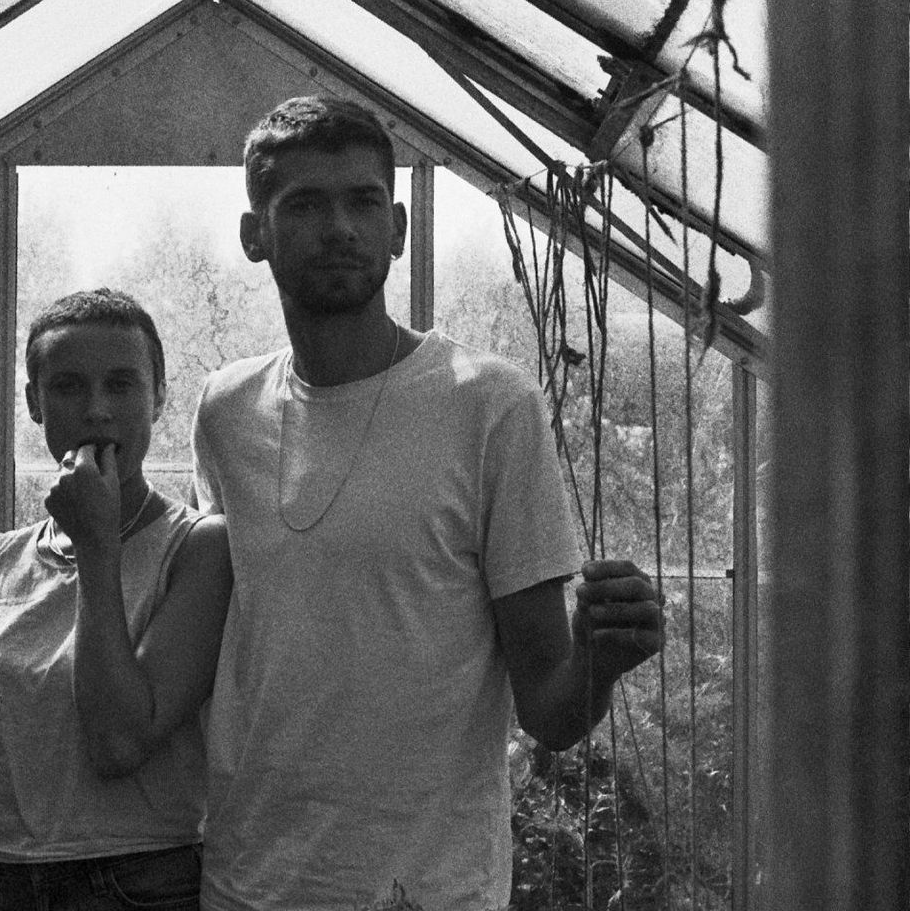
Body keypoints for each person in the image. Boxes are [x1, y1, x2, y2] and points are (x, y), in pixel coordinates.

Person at [190, 95, 664, 910]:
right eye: (303, 205)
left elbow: (549, 711)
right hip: (248, 879)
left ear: (399, 228)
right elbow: (219, 638)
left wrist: (599, 656)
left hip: (424, 888)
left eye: (363, 202)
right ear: (253, 234)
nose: (339, 227)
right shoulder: (226, 409)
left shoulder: (489, 405)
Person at [0, 289, 232, 911]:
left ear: (159, 396)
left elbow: (119, 741)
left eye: (121, 384)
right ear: (34, 403)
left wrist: (97, 547)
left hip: (138, 886)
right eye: (67, 387)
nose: (97, 411)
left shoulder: (199, 548)